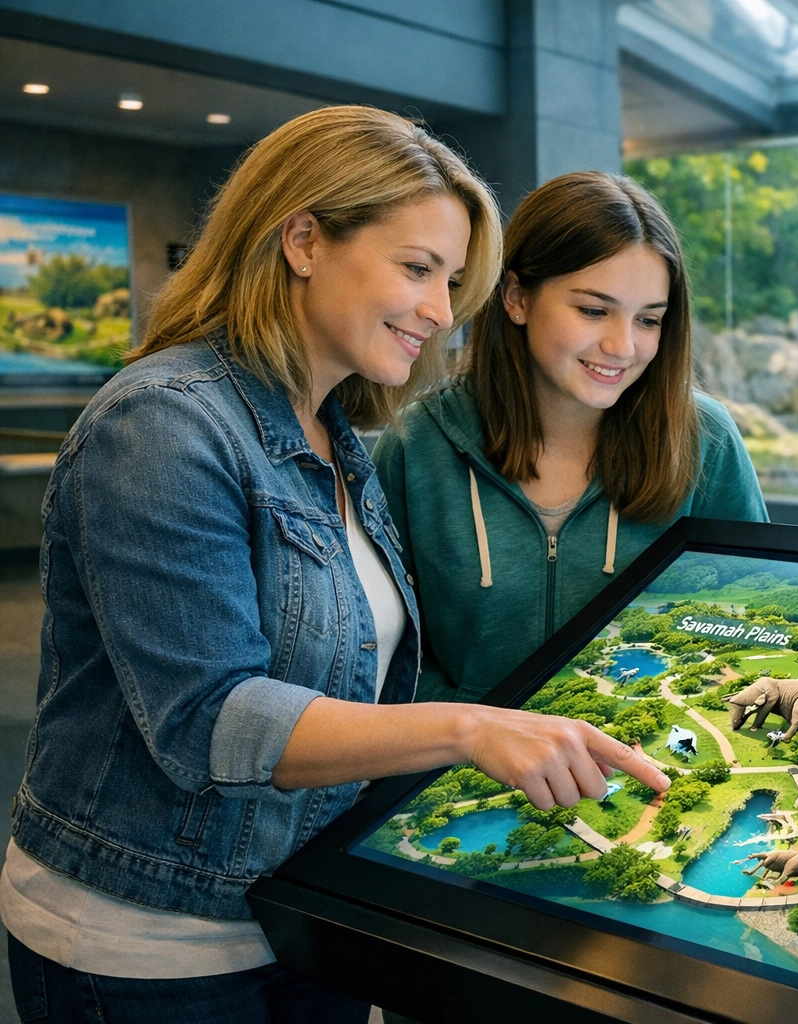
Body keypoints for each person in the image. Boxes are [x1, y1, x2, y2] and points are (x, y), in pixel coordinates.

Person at [0, 108, 668, 1024]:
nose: (440, 312)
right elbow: (208, 717)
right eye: (417, 268)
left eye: (452, 279)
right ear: (304, 240)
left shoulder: (335, 434)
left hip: (299, 910)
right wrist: (472, 730)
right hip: (152, 935)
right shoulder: (161, 422)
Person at [373, 171, 767, 705]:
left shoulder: (707, 440)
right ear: (516, 297)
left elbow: (762, 614)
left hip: (649, 764)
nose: (622, 346)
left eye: (649, 320)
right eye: (593, 310)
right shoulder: (417, 444)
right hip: (462, 777)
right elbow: (385, 657)